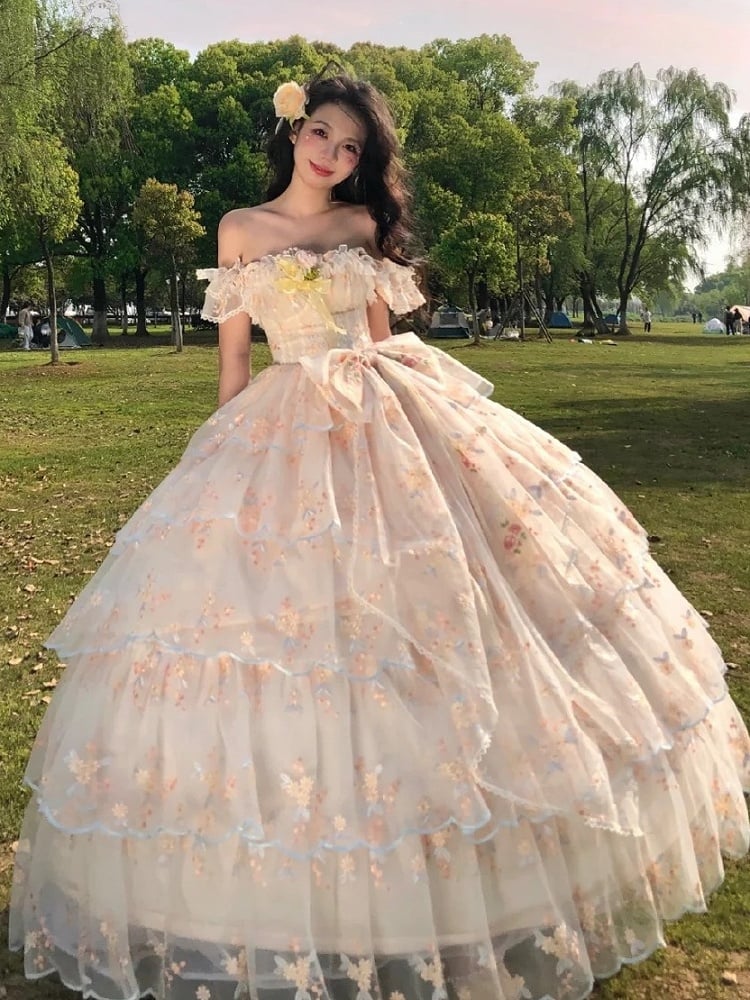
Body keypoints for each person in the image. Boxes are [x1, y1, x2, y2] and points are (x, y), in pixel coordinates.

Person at [10, 71, 750, 1000]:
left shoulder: (361, 228)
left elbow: (381, 336)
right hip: (281, 426)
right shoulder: (239, 231)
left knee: (434, 605)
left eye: (352, 146)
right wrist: (216, 468)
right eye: (322, 133)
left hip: (383, 419)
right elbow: (234, 365)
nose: (333, 153)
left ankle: (480, 873)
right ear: (294, 132)